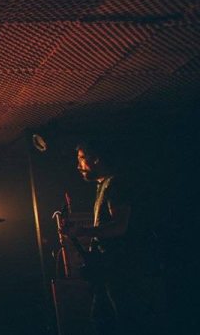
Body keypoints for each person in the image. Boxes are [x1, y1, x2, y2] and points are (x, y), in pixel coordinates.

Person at [63, 141, 165, 335]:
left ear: (96, 158)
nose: (78, 165)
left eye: (82, 158)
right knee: (106, 319)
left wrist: (83, 232)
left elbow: (119, 226)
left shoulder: (115, 184)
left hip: (121, 270)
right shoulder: (103, 185)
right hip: (111, 269)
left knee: (122, 321)